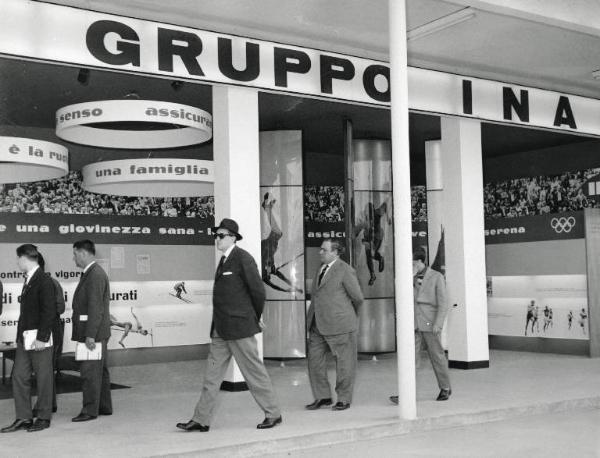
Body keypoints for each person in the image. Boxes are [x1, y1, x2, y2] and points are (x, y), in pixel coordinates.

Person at [177, 218, 282, 432]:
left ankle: (273, 414)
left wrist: (255, 316)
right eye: (216, 235)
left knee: (254, 373)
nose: (217, 239)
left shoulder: (243, 259)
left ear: (233, 238)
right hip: (220, 330)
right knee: (211, 377)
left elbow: (258, 292)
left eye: (221, 235)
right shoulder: (224, 260)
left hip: (240, 329)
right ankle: (201, 419)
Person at [1, 244, 56, 433]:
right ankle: (24, 417)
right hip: (24, 339)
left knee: (44, 378)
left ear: (25, 258)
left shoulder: (44, 281)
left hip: (39, 339)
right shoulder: (29, 280)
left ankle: (43, 417)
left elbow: (49, 312)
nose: (17, 262)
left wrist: (42, 337)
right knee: (19, 376)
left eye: (18, 258)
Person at [305, 238, 364, 411]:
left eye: (324, 250)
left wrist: (347, 316)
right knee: (314, 362)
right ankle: (322, 396)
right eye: (321, 249)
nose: (320, 252)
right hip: (317, 324)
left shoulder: (345, 270)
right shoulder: (321, 269)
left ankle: (344, 399)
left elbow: (358, 298)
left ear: (335, 252)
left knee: (345, 363)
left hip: (340, 326)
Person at [391, 250, 451, 404]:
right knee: (410, 360)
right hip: (413, 324)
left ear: (419, 261)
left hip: (430, 324)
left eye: (412, 263)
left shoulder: (436, 277)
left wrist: (438, 323)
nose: (410, 266)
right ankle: (406, 393)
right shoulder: (409, 277)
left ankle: (445, 387)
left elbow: (444, 303)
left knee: (437, 356)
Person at [71, 239, 113, 422]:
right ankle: (103, 406)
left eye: (75, 254)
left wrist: (89, 335)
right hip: (97, 332)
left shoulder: (94, 274)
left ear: (84, 253)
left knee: (89, 373)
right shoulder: (93, 273)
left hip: (92, 334)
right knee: (100, 372)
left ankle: (89, 410)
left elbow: (95, 308)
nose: (74, 258)